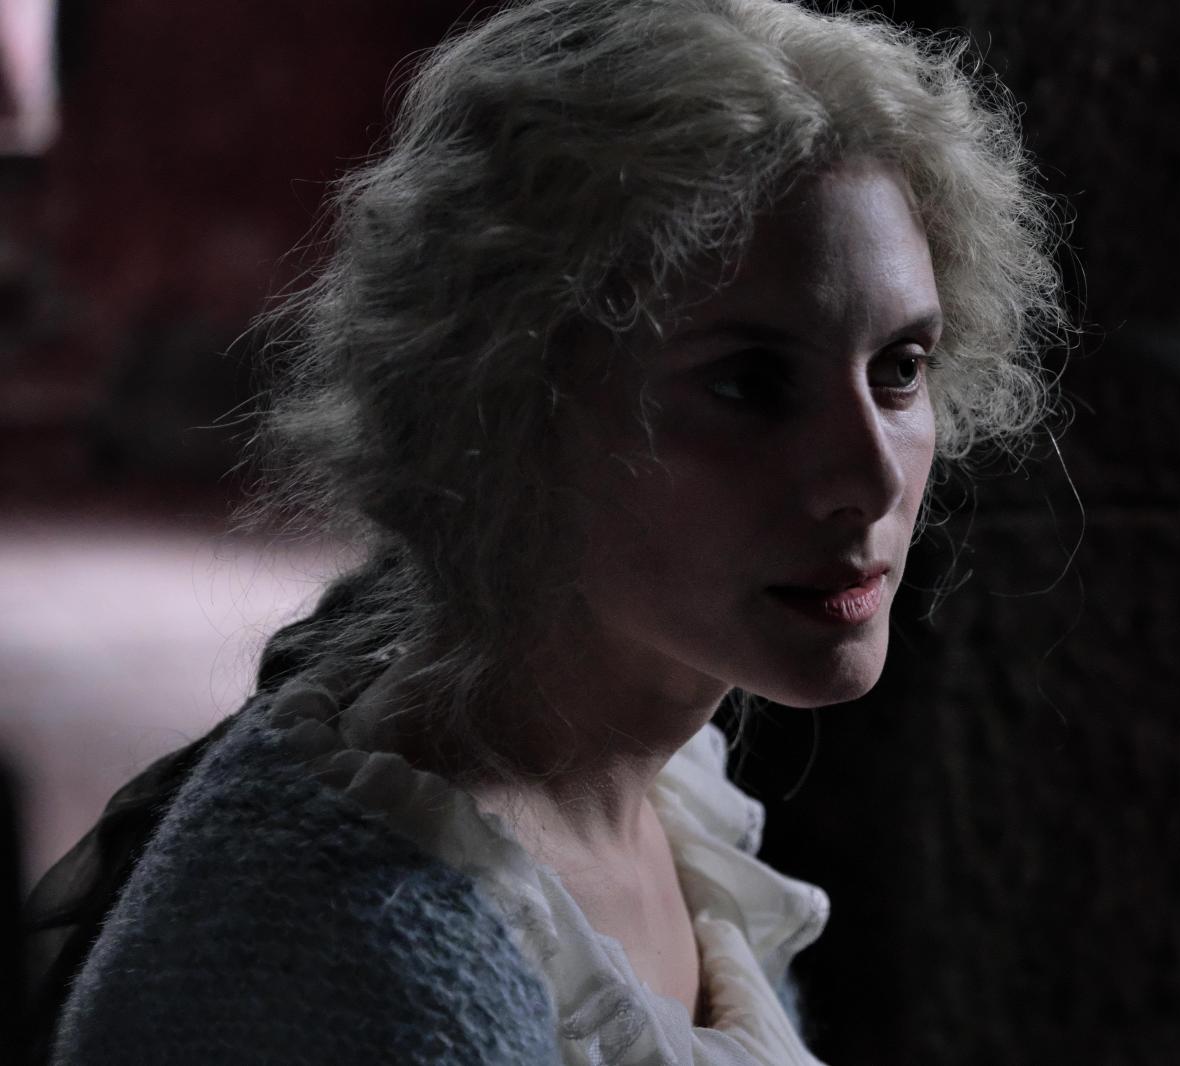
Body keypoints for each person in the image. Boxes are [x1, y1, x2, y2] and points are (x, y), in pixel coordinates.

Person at [23, 0, 1068, 1061]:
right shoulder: (372, 964)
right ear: (511, 405)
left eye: (900, 367)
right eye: (750, 383)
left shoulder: (654, 790)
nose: (870, 477)